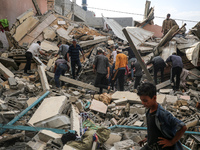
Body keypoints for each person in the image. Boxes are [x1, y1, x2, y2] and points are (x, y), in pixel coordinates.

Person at [137, 82, 187, 150]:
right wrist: (147, 138)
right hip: (151, 146)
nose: (143, 103)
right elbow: (152, 129)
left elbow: (183, 127)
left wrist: (171, 142)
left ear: (154, 98)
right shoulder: (148, 111)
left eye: (145, 101)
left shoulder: (163, 114)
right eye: (141, 100)